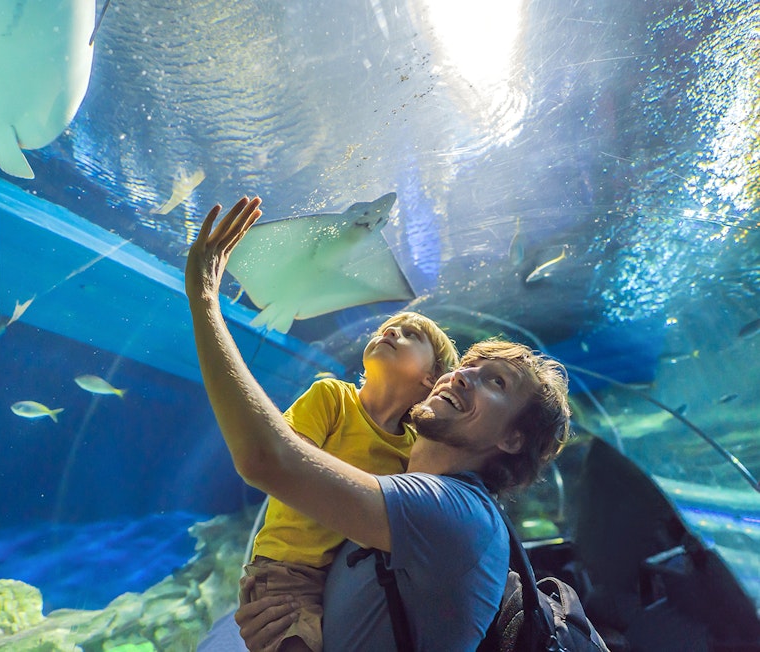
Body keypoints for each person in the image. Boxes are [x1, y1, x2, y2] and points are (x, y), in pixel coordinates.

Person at [186, 196, 572, 651]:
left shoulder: (452, 511)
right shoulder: (390, 489)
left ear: (513, 438)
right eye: (466, 365)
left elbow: (266, 458)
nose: (463, 375)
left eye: (496, 382)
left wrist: (205, 299)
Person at [243, 309, 458, 652]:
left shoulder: (412, 448)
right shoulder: (332, 397)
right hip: (288, 571)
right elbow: (290, 465)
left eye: (410, 335)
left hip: (343, 577)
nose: (390, 333)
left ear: (430, 378)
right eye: (387, 328)